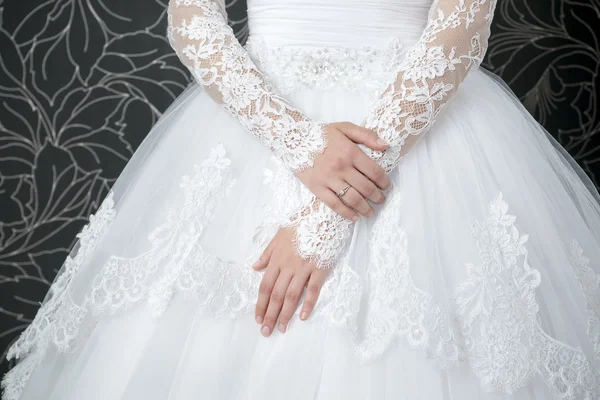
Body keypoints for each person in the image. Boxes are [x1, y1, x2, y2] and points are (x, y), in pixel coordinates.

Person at [3, 0, 600, 398]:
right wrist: (299, 142)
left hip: (418, 126)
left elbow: (462, 25)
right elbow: (193, 23)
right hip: (260, 122)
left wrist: (328, 216)